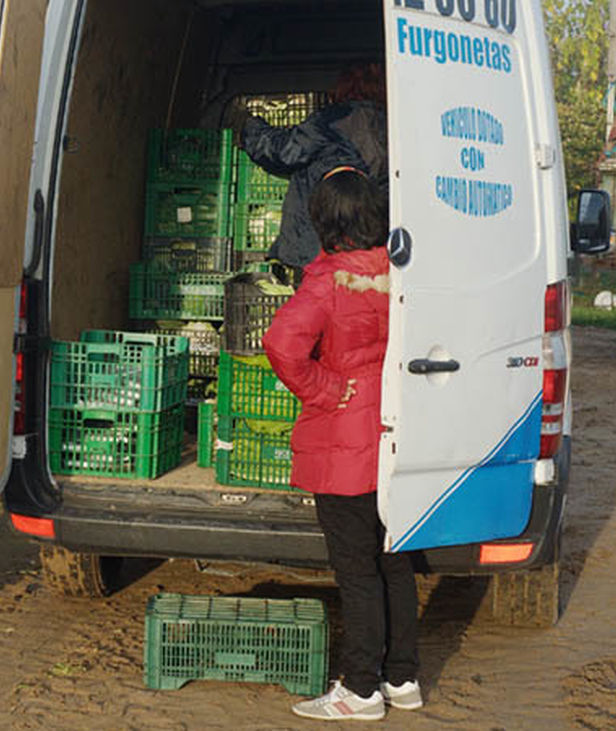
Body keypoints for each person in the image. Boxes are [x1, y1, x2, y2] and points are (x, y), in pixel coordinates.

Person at [262, 168, 421, 721]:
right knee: (394, 564)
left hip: (345, 445)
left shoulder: (328, 281)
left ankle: (360, 690)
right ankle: (402, 678)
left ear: (325, 221)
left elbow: (281, 344)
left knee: (356, 572)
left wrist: (327, 388)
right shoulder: (402, 274)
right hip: (398, 438)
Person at [236, 63, 388, 271]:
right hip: (375, 252)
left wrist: (249, 128)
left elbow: (283, 153)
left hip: (318, 252)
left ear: (345, 88)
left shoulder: (332, 121)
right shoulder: (396, 128)